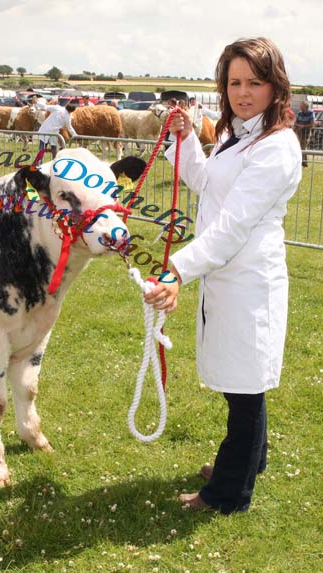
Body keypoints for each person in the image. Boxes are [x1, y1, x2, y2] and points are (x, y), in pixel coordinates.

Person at [144, 37, 302, 514]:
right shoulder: (238, 137)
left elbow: (232, 226)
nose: (243, 92)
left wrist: (176, 269)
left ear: (276, 87)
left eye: (255, 82)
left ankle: (229, 493)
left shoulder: (276, 146)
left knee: (246, 389)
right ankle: (249, 462)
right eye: (235, 82)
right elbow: (205, 182)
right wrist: (186, 136)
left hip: (249, 279)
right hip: (225, 276)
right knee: (244, 384)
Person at [294, 101, 314, 167]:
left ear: (305, 106)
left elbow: (312, 124)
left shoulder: (311, 113)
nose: (300, 106)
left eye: (301, 105)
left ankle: (304, 163)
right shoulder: (299, 113)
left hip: (306, 133)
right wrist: (298, 125)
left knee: (303, 147)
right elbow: (295, 122)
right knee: (298, 147)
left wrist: (303, 126)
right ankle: (300, 162)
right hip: (299, 132)